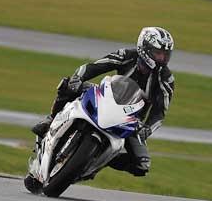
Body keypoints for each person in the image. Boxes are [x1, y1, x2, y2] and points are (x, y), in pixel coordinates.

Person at [31, 26, 175, 177]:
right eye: (158, 54)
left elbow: (160, 113)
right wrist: (78, 78)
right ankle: (51, 119)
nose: (162, 59)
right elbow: (95, 66)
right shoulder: (126, 55)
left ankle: (97, 160)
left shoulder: (166, 79)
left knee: (141, 165)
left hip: (130, 119)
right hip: (105, 97)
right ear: (144, 48)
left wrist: (147, 129)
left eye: (165, 55)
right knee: (68, 85)